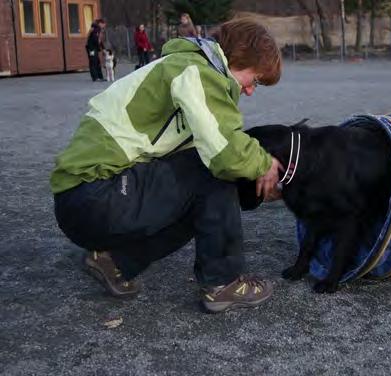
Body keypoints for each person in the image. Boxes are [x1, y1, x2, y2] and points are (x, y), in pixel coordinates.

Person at [51, 19, 283, 313]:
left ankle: (114, 261)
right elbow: (224, 150)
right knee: (212, 172)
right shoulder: (196, 70)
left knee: (201, 197)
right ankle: (223, 283)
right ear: (237, 58)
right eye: (256, 80)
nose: (250, 91)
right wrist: (265, 164)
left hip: (87, 200)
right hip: (93, 193)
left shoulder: (185, 66)